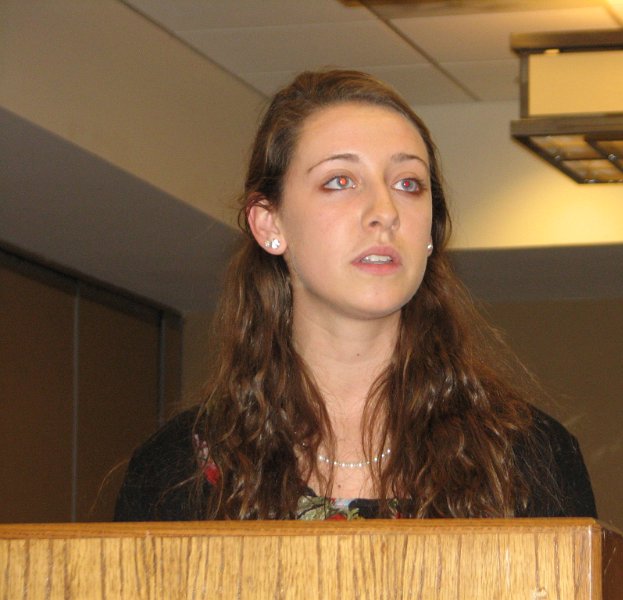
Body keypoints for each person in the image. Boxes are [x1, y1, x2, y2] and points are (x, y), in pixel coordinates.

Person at [114, 69, 596, 521]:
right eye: (340, 181)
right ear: (270, 222)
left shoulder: (527, 457)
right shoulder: (180, 469)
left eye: (408, 184)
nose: (384, 211)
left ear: (432, 231)